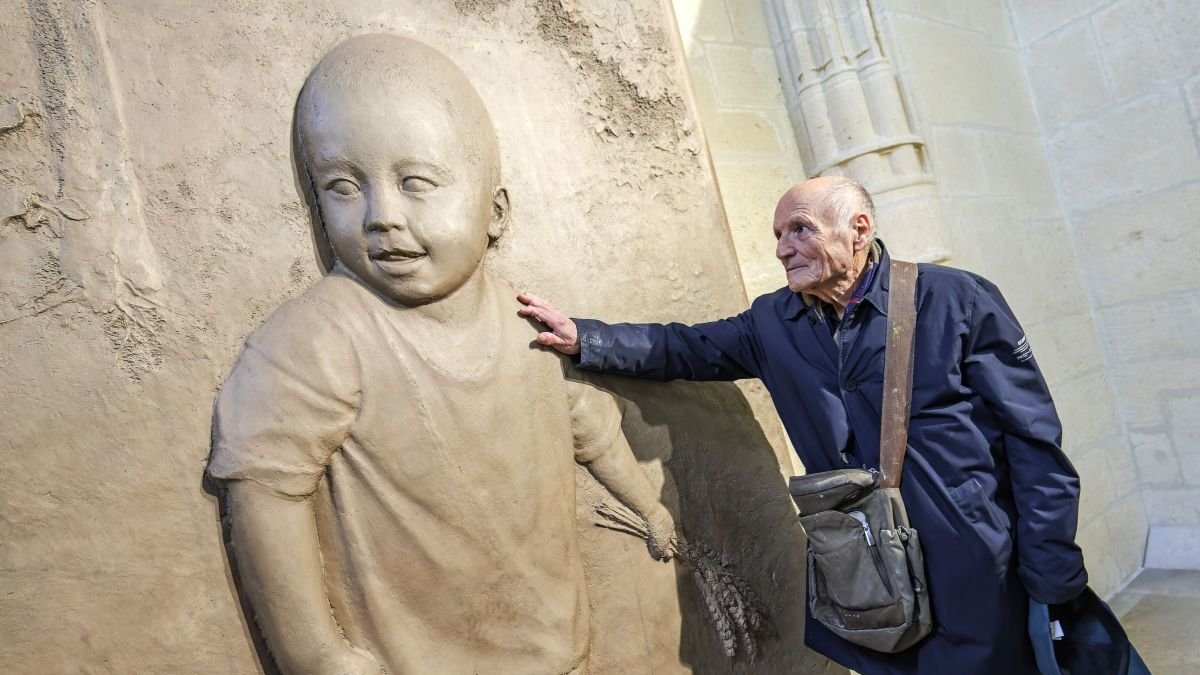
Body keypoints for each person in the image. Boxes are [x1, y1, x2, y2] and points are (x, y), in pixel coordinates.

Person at [206, 34, 675, 675]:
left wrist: (649, 508)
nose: (381, 216)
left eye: (416, 182)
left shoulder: (526, 326)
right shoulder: (316, 338)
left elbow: (590, 429)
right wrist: (315, 653)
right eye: (342, 187)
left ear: (496, 211)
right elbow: (264, 489)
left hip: (557, 647)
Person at [518, 176, 1089, 674]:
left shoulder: (955, 299)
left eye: (799, 230)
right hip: (864, 567)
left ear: (858, 229)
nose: (783, 250)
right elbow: (681, 347)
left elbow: (1033, 440)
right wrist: (584, 338)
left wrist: (1051, 568)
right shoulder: (774, 321)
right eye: (777, 237)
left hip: (974, 562)